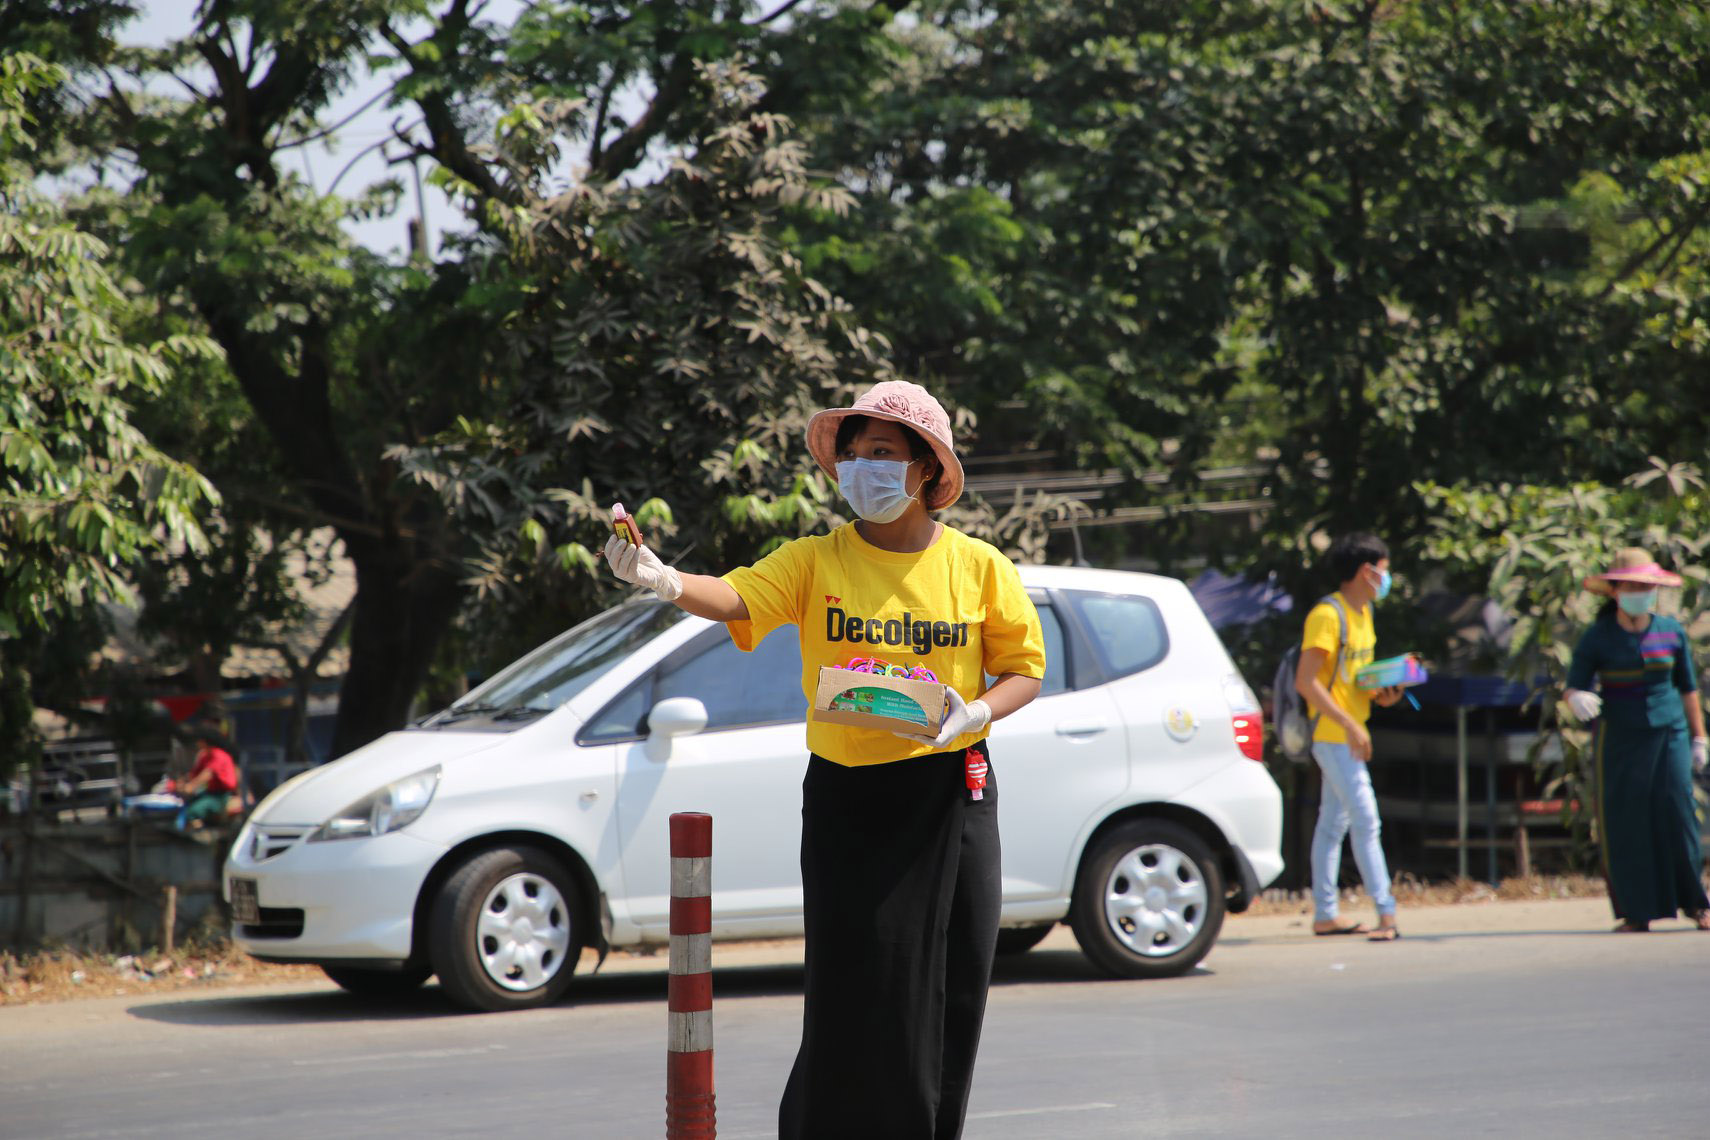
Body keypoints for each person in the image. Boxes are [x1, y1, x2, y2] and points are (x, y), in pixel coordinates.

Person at [603, 380, 1045, 1139]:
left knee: (949, 986)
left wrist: (975, 712)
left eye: (882, 453)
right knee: (853, 987)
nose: (861, 469)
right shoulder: (815, 560)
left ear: (925, 471)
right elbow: (739, 598)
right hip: (849, 800)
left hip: (953, 794)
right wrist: (665, 580)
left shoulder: (979, 567)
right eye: (853, 454)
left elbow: (1024, 670)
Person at [1561, 548, 1710, 933]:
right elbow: (1573, 685)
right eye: (1632, 586)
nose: (1640, 593)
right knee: (1625, 822)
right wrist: (1576, 698)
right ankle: (1636, 910)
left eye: (1646, 587)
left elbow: (1687, 689)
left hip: (1669, 732)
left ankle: (1698, 904)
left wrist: (1699, 738)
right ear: (1614, 591)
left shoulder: (1671, 631)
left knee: (1678, 814)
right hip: (1620, 737)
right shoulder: (1598, 637)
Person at [1294, 533, 1406, 942]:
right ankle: (1387, 915)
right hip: (1334, 736)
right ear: (1368, 571)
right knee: (1366, 821)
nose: (1388, 578)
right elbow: (1306, 682)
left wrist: (1385, 693)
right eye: (1386, 569)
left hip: (1346, 732)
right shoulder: (1328, 615)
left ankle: (1325, 915)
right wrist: (1351, 725)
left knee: (1332, 825)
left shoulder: (1363, 614)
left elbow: (1351, 680)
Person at [178, 724, 239, 829]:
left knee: (194, 811)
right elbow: (195, 773)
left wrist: (191, 787)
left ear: (204, 741)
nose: (197, 743)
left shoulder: (218, 755)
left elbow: (207, 774)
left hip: (221, 795)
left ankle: (199, 837)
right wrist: (181, 782)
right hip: (210, 793)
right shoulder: (205, 755)